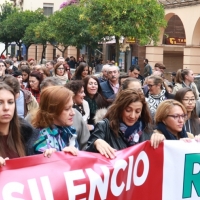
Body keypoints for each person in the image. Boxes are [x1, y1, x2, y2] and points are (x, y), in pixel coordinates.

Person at [86, 89, 152, 158]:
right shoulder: (104, 126)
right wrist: (96, 143)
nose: (132, 116)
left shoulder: (147, 128)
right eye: (128, 110)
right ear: (120, 109)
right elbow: (87, 154)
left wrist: (159, 136)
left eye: (137, 111)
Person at [32, 86, 79, 156]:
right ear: (52, 111)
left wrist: (95, 143)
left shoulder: (67, 129)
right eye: (67, 109)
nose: (73, 113)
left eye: (72, 107)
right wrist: (59, 156)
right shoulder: (41, 139)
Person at [0, 82, 38, 166]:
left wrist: (52, 155)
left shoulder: (27, 133)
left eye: (10, 102)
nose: (6, 108)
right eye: (0, 103)